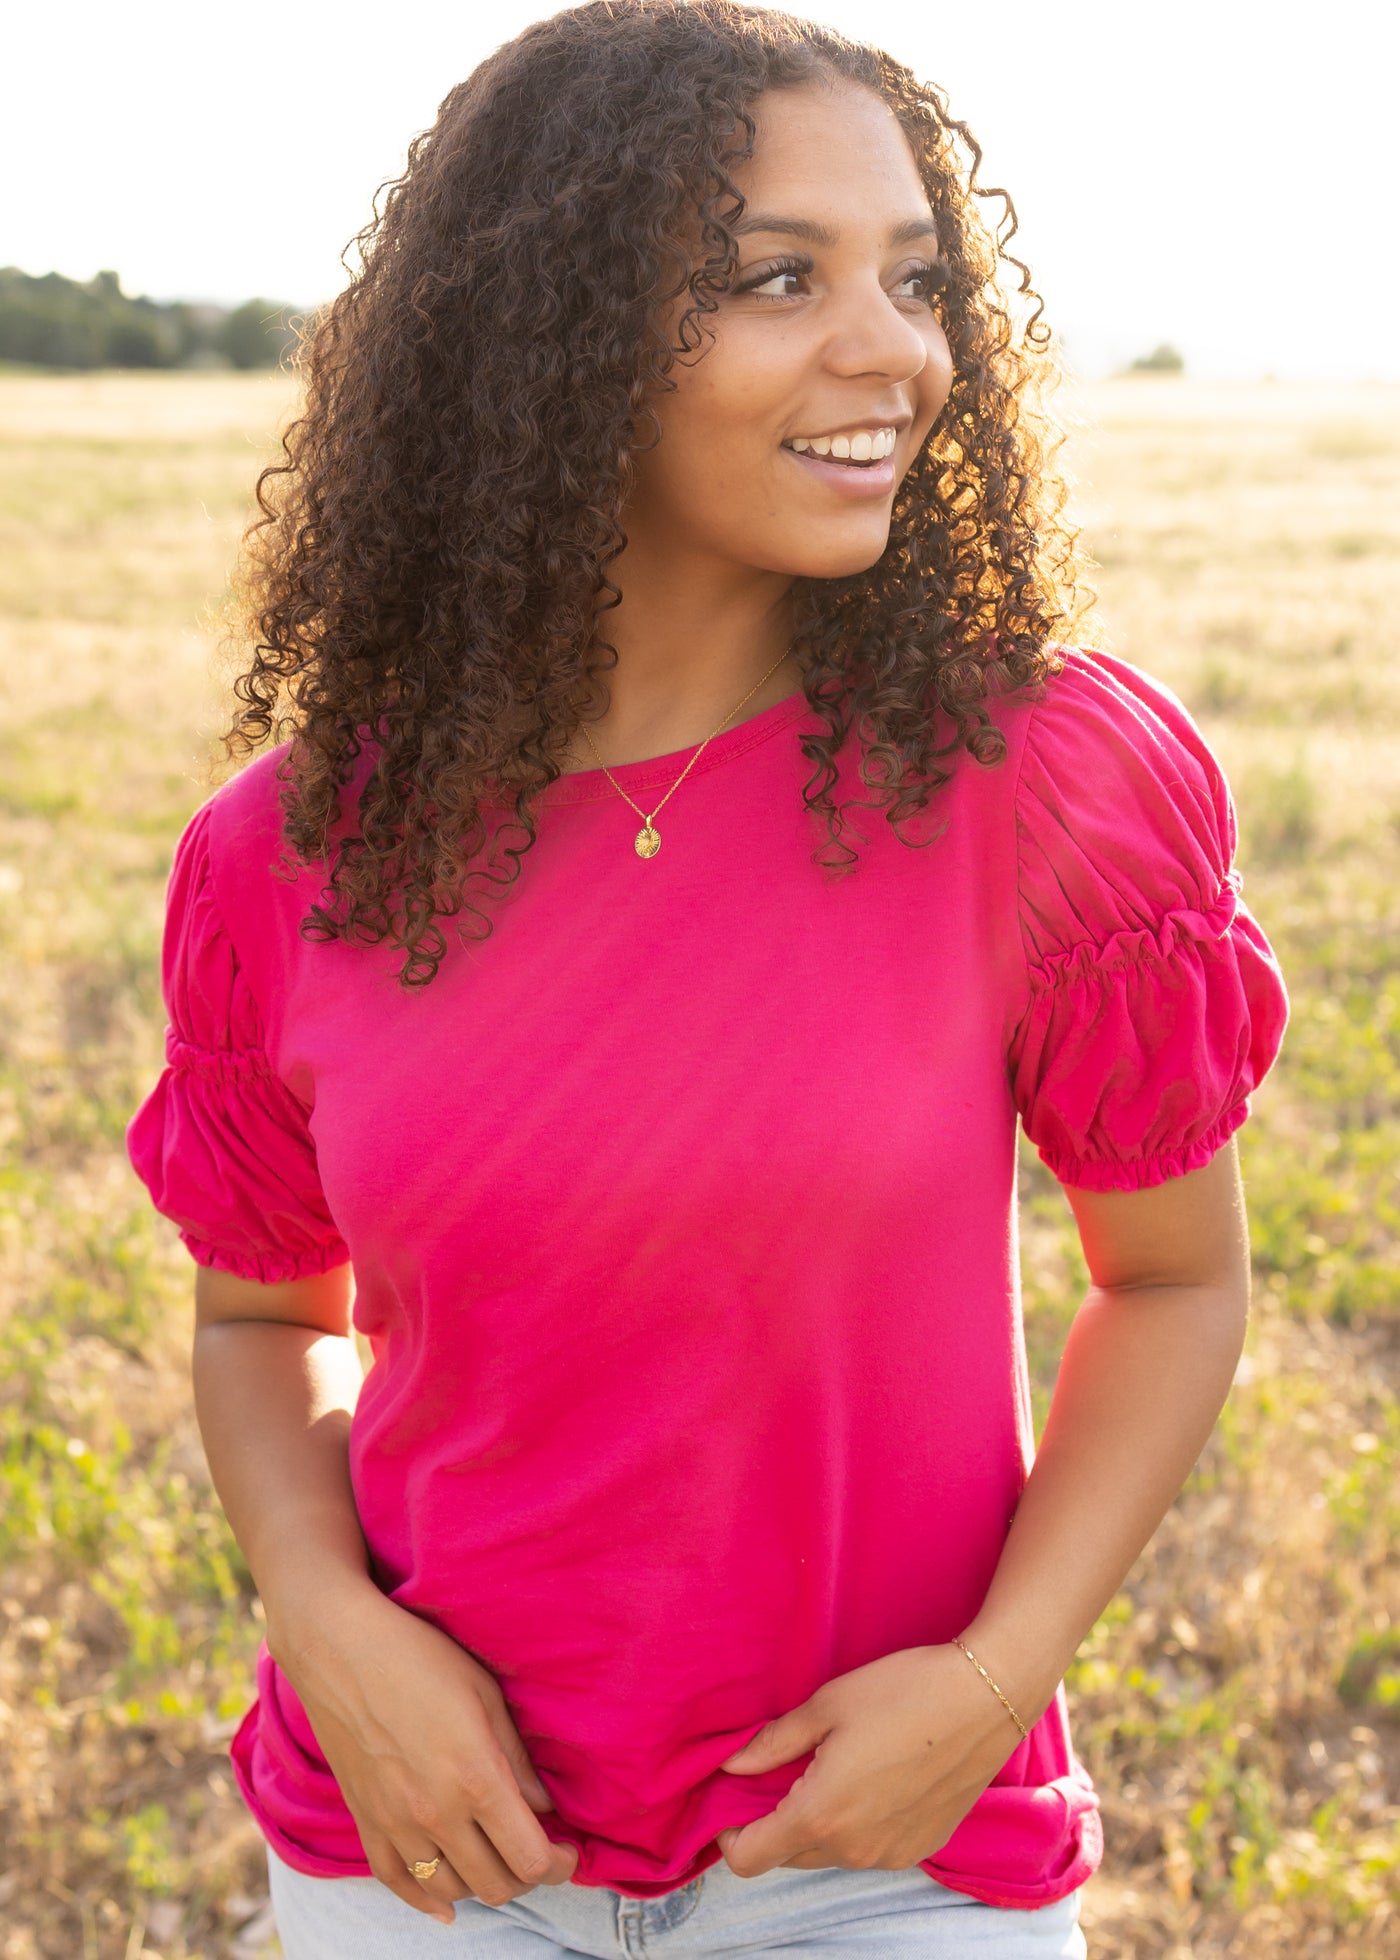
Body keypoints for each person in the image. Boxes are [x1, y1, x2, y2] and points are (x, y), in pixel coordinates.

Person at [126, 2, 1289, 1954]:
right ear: (546, 348)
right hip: (421, 1846)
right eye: (777, 278)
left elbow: (1171, 1279)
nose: (896, 350)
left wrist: (992, 1685)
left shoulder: (1042, 779)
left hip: (886, 1849)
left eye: (919, 279)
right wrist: (328, 1628)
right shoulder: (290, 850)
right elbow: (263, 1324)